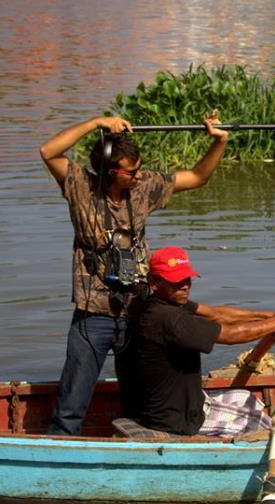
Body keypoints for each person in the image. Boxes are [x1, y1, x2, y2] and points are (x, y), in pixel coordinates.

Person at [40, 112, 229, 436]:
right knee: (73, 399)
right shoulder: (80, 186)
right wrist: (96, 123)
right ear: (112, 172)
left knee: (141, 399)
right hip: (93, 314)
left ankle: (133, 452)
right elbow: (48, 151)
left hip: (138, 312)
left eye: (141, 167)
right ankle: (60, 447)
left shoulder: (143, 189)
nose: (140, 175)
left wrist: (219, 141)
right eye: (132, 170)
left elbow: (198, 177)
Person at [116, 246, 275, 437]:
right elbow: (231, 335)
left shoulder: (164, 302)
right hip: (177, 419)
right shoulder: (168, 318)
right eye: (176, 281)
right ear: (154, 282)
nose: (185, 286)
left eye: (187, 279)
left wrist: (270, 316)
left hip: (187, 403)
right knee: (266, 426)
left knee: (247, 397)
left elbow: (217, 314)